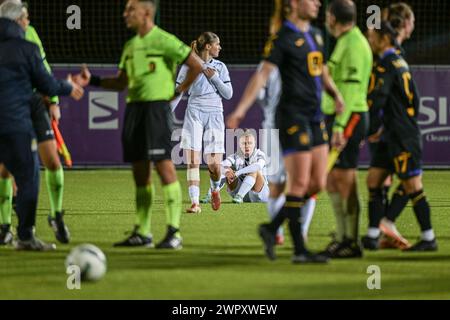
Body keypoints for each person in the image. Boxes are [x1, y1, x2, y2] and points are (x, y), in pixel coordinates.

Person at [73, 0, 203, 249]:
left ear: (146, 12)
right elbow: (122, 83)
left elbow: (196, 65)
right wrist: (93, 81)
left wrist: (179, 92)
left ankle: (174, 232)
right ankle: (143, 233)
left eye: (130, 10)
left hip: (156, 110)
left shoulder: (164, 40)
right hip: (134, 110)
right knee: (140, 173)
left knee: (164, 168)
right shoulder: (130, 46)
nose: (125, 14)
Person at [227, 0, 344, 264]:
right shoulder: (282, 38)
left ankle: (271, 228)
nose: (317, 3)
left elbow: (321, 69)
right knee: (297, 183)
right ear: (293, 4)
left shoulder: (315, 35)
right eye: (310, 0)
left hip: (316, 117)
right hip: (292, 117)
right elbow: (262, 75)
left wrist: (335, 94)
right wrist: (240, 110)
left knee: (317, 183)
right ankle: (299, 249)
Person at [0, 0, 83, 250]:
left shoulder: (29, 34)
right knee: (22, 172)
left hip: (32, 103)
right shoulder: (24, 43)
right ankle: (16, 232)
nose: (27, 20)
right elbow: (46, 80)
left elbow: (43, 73)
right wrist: (69, 87)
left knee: (50, 162)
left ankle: (55, 216)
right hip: (18, 111)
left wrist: (54, 101)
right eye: (24, 16)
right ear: (16, 18)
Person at [363, 20, 437, 252]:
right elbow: (414, 100)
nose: (369, 41)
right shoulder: (399, 60)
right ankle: (373, 235)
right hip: (393, 134)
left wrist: (370, 128)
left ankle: (429, 238)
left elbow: (377, 99)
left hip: (402, 135)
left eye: (372, 36)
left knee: (413, 184)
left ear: (384, 38)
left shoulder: (386, 64)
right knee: (374, 180)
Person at [320, 0, 372, 258]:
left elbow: (350, 92)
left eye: (327, 15)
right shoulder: (348, 41)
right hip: (340, 118)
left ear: (333, 18)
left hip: (348, 118)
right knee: (333, 179)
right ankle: (342, 236)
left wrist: (340, 126)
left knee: (346, 180)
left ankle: (351, 241)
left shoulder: (353, 44)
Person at [362, 3, 416, 250]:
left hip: (382, 125)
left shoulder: (385, 49)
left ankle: (378, 233)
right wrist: (377, 125)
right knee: (405, 177)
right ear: (405, 23)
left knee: (382, 178)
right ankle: (385, 224)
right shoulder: (389, 52)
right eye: (412, 21)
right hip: (387, 126)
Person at [171, 32, 233, 214]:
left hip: (215, 113)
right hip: (194, 112)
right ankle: (195, 203)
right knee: (193, 161)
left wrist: (213, 77)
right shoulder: (188, 66)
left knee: (214, 165)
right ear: (208, 46)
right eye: (217, 44)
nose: (219, 47)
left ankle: (214, 189)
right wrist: (165, 114)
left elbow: (228, 94)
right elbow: (178, 93)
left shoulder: (220, 67)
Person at [222, 130, 269, 204]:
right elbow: (221, 165)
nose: (247, 146)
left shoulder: (260, 154)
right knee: (227, 169)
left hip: (260, 194)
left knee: (254, 170)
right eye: (244, 143)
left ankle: (239, 196)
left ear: (254, 144)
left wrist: (237, 173)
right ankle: (211, 195)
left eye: (250, 143)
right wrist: (227, 172)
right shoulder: (235, 156)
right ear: (239, 145)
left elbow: (258, 166)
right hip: (244, 195)